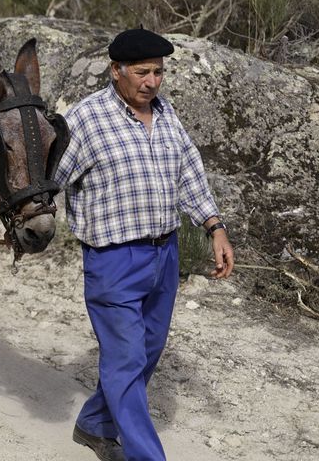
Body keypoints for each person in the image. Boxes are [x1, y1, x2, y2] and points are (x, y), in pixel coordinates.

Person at [54, 28, 234, 461]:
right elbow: (49, 180)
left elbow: (188, 168)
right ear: (116, 71)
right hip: (113, 260)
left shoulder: (166, 112)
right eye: (142, 72)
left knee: (148, 351)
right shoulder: (85, 119)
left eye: (158, 72)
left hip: (164, 255)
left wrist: (214, 226)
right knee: (127, 360)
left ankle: (95, 425)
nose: (152, 82)